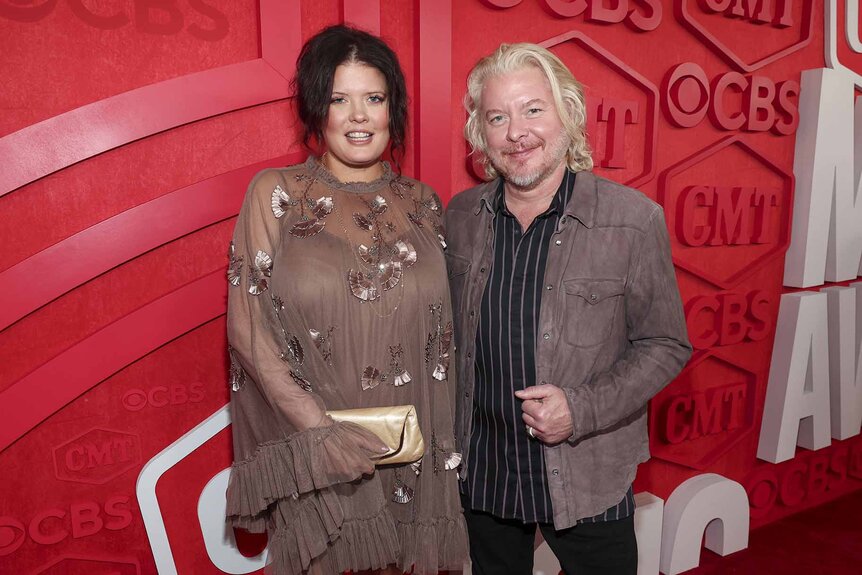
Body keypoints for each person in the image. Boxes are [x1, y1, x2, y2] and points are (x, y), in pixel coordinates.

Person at [224, 25, 467, 575]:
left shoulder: (424, 203)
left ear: (392, 110)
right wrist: (321, 432)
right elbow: (249, 330)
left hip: (417, 455)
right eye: (339, 99)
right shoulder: (276, 195)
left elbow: (447, 340)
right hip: (323, 456)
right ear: (317, 111)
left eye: (373, 99)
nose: (358, 116)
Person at [445, 43, 692, 575]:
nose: (517, 131)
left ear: (569, 114)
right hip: (484, 472)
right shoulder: (460, 217)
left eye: (534, 109)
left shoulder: (632, 220)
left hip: (585, 478)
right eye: (497, 116)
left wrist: (581, 409)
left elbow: (666, 345)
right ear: (480, 134)